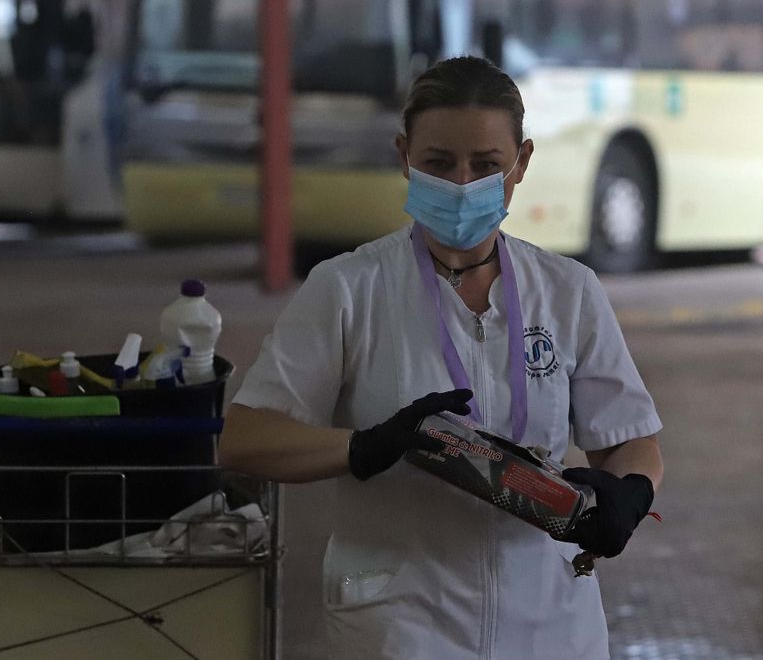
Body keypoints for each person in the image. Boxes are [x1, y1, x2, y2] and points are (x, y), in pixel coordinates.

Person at [221, 56, 664, 658]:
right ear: (404, 155)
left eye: (486, 166)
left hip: (551, 622)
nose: (461, 184)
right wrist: (362, 446)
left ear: (522, 163)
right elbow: (246, 438)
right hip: (402, 625)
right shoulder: (348, 289)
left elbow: (629, 439)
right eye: (438, 163)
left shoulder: (569, 291)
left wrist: (630, 493)